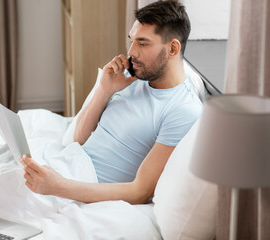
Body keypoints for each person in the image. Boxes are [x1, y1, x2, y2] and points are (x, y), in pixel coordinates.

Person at [20, 0, 202, 204]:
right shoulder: (133, 78)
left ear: (172, 49)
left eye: (142, 43)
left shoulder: (183, 110)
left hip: (75, 186)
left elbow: (140, 192)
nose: (131, 52)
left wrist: (56, 186)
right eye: (131, 40)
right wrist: (104, 90)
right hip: (64, 164)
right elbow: (77, 140)